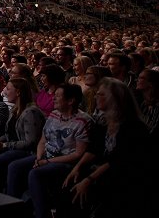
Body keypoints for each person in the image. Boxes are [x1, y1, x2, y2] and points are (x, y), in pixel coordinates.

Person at [63, 78, 154, 218]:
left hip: (126, 177)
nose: (95, 97)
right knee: (71, 181)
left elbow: (119, 160)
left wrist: (89, 180)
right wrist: (78, 167)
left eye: (101, 95)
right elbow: (94, 148)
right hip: (106, 170)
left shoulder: (133, 127)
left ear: (115, 98)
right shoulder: (104, 122)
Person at [6, 83, 92, 218]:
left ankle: (42, 214)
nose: (54, 99)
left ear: (71, 101)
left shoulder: (83, 121)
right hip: (45, 156)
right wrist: (40, 157)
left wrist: (47, 161)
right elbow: (42, 140)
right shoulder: (54, 114)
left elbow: (78, 154)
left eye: (58, 96)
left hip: (65, 161)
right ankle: (13, 210)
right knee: (14, 167)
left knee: (35, 174)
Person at [0, 78, 46, 191]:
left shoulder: (31, 112)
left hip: (26, 151)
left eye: (8, 89)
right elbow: (10, 133)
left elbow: (30, 142)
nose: (5, 92)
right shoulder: (14, 109)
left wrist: (4, 145)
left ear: (18, 92)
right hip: (11, 146)